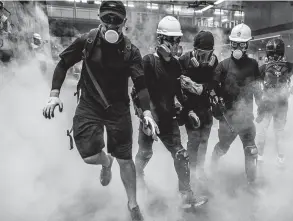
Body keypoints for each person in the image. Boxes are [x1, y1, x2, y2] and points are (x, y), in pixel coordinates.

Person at [42, 1, 159, 220]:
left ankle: (133, 206)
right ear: (99, 18)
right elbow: (63, 64)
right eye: (107, 19)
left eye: (116, 20)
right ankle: (106, 163)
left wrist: (147, 114)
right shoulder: (86, 41)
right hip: (89, 105)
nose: (111, 24)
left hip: (118, 109)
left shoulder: (131, 51)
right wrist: (54, 95)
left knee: (125, 159)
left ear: (124, 23)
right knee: (89, 156)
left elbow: (141, 86)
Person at [134, 16, 208, 209]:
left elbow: (178, 93)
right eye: (172, 40)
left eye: (177, 40)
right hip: (150, 119)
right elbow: (138, 92)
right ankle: (136, 177)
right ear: (160, 39)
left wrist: (189, 109)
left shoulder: (175, 65)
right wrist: (144, 116)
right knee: (145, 153)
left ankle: (186, 196)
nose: (176, 44)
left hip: (168, 119)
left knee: (181, 155)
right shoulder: (148, 62)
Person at [211, 23, 260, 184]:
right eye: (234, 43)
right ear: (231, 44)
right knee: (222, 148)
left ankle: (251, 182)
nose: (238, 47)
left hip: (246, 119)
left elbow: (256, 87)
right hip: (228, 120)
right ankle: (213, 168)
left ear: (247, 45)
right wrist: (215, 104)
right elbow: (212, 89)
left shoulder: (253, 65)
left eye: (241, 43)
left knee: (251, 151)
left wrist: (262, 105)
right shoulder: (223, 65)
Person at [255, 38, 293, 167]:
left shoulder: (263, 67)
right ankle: (280, 158)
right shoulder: (289, 66)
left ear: (268, 52)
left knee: (262, 130)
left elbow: (253, 84)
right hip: (282, 103)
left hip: (267, 103)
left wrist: (259, 100)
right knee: (279, 131)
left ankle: (260, 157)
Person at [178, 30, 219, 186]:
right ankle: (191, 172)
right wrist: (187, 109)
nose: (204, 59)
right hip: (191, 108)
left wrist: (204, 88)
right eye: (200, 54)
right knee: (194, 140)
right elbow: (178, 88)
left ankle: (200, 170)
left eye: (207, 55)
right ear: (194, 50)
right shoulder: (183, 60)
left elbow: (215, 82)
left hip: (206, 107)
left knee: (205, 140)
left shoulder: (213, 62)